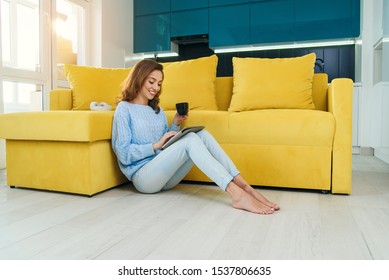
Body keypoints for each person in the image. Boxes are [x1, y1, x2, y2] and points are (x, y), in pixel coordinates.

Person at [112, 59, 280, 215]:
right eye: (151, 81)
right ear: (139, 78)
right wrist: (155, 146)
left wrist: (175, 125)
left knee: (201, 134)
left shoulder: (157, 110)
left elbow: (165, 144)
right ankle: (236, 194)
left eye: (159, 83)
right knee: (191, 140)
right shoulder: (124, 109)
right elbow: (123, 153)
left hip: (165, 177)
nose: (155, 87)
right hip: (144, 179)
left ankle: (245, 186)